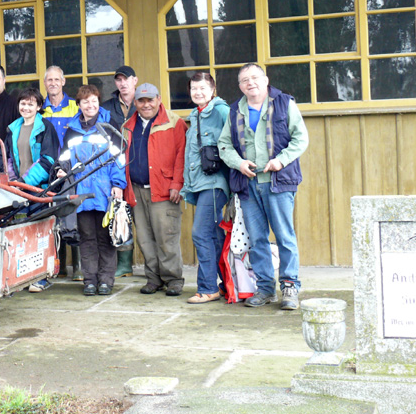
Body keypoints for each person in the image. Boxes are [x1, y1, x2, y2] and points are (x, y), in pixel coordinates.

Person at [217, 63, 309, 310]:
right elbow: (224, 145)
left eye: (255, 77)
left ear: (265, 80)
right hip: (247, 185)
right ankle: (266, 289)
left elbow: (301, 138)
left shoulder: (285, 103)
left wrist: (281, 160)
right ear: (240, 86)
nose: (251, 83)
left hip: (278, 183)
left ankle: (290, 287)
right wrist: (238, 163)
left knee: (284, 236)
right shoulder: (235, 110)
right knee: (257, 239)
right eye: (245, 80)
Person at [58, 85, 127, 296]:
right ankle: (89, 281)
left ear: (99, 102)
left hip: (105, 192)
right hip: (81, 193)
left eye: (94, 101)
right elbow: (64, 158)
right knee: (86, 238)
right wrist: (62, 169)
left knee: (106, 238)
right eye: (86, 101)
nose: (90, 105)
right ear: (79, 105)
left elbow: (119, 159)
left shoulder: (109, 126)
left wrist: (118, 184)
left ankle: (106, 281)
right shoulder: (71, 130)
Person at [122, 83, 188, 297]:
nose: (146, 104)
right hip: (136, 190)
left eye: (150, 100)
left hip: (164, 190)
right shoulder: (128, 125)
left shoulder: (174, 122)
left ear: (159, 99)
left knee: (167, 237)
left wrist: (177, 184)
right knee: (144, 238)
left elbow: (182, 156)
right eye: (141, 101)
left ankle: (173, 279)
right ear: (135, 102)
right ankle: (154, 279)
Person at [5, 87, 60, 292]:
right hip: (18, 189)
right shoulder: (13, 128)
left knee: (40, 234)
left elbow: (48, 160)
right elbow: (8, 158)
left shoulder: (46, 127)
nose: (26, 107)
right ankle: (22, 277)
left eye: (31, 104)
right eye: (23, 103)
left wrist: (25, 181)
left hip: (39, 189)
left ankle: (41, 277)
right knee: (20, 233)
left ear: (38, 106)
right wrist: (13, 181)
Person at [182, 72, 230, 304]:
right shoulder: (196, 115)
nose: (198, 92)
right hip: (200, 184)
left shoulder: (221, 111)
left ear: (212, 90)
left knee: (200, 233)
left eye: (202, 88)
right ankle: (227, 284)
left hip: (215, 183)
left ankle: (208, 287)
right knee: (213, 235)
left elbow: (236, 141)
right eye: (194, 88)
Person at [41, 66, 81, 279]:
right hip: (48, 169)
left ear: (63, 81)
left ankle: (78, 267)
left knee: (73, 212)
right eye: (49, 80)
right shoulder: (40, 108)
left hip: (72, 168)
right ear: (45, 83)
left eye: (57, 79)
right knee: (54, 214)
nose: (53, 83)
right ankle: (60, 266)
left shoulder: (75, 106)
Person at [101, 65, 138, 278]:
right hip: (115, 164)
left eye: (126, 79)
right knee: (119, 212)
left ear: (135, 80)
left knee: (140, 216)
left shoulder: (144, 102)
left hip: (138, 163)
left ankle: (151, 264)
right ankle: (124, 264)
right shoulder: (107, 107)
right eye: (119, 80)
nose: (122, 83)